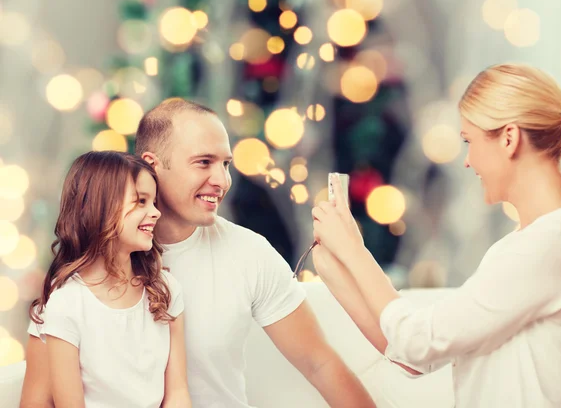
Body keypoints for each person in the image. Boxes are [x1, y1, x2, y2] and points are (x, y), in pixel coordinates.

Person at [21, 99, 375, 408]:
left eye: (226, 164)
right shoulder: (75, 287)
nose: (222, 181)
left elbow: (320, 363)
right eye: (204, 162)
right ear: (152, 164)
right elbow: (39, 399)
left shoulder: (248, 253)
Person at [311, 63, 561, 408]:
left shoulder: (555, 243)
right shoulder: (526, 244)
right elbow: (414, 356)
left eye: (469, 141)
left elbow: (418, 342)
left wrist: (354, 250)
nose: (467, 160)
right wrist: (335, 270)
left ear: (509, 138)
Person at [21, 151, 190, 408]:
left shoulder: (165, 289)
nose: (155, 213)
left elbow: (177, 394)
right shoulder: (66, 304)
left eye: (154, 202)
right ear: (101, 209)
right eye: (141, 201)